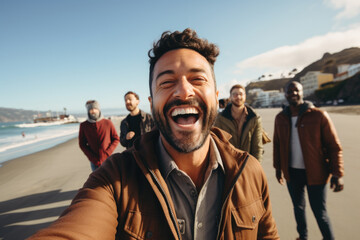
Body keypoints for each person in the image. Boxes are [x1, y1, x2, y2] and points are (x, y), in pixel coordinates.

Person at [29, 28, 279, 240]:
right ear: (152, 101)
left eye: (198, 79)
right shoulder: (115, 180)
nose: (184, 91)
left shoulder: (250, 171)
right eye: (167, 82)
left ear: (216, 97)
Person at [273, 81, 344, 240]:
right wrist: (278, 169)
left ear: (302, 92)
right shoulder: (280, 118)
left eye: (296, 90)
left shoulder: (318, 115)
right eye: (290, 91)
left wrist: (337, 174)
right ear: (285, 94)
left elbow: (334, 146)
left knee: (320, 212)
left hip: (316, 172)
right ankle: (302, 237)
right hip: (292, 172)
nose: (293, 93)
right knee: (298, 209)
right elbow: (277, 145)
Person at [214, 84, 264, 162]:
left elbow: (257, 147)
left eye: (241, 94)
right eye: (235, 94)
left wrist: (256, 167)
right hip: (228, 165)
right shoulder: (220, 119)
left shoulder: (254, 118)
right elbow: (216, 145)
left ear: (245, 96)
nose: (238, 97)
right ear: (230, 97)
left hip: (248, 164)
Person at [78, 100, 120, 171]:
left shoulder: (108, 123)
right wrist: (92, 157)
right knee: (98, 181)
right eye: (91, 109)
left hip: (108, 159)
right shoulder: (84, 125)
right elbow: (82, 144)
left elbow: (116, 139)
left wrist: (107, 152)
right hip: (94, 162)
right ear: (88, 111)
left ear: (99, 110)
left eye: (95, 109)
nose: (93, 111)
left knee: (112, 180)